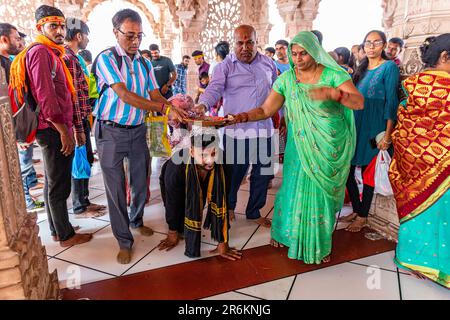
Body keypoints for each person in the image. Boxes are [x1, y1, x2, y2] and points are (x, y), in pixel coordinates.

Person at [228, 31, 364, 264]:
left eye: (304, 53)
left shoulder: (334, 74)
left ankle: (317, 242)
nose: (298, 58)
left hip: (328, 143)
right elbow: (265, 110)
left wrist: (333, 93)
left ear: (315, 52)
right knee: (292, 187)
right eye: (294, 53)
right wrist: (241, 116)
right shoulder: (287, 79)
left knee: (319, 193)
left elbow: (358, 102)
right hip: (299, 145)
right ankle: (285, 233)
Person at [93, 9, 186, 264]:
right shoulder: (107, 59)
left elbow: (155, 95)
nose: (135, 41)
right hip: (110, 131)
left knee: (139, 181)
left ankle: (136, 219)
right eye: (130, 35)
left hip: (137, 130)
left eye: (139, 36)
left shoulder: (144, 63)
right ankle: (124, 240)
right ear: (116, 32)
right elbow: (124, 95)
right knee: (115, 188)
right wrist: (163, 108)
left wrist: (171, 106)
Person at [10, 5, 93, 246]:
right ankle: (66, 236)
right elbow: (46, 96)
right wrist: (64, 131)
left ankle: (59, 229)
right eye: (53, 26)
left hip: (54, 127)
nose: (59, 30)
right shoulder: (41, 53)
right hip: (53, 129)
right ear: (40, 28)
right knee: (59, 185)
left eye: (61, 26)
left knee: (53, 182)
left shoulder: (51, 52)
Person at [195, 25, 277, 228]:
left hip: (264, 129)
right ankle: (229, 206)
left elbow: (277, 93)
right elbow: (214, 89)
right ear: (234, 43)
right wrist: (203, 104)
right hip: (237, 132)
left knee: (263, 173)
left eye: (249, 42)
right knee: (234, 174)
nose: (245, 47)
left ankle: (254, 211)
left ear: (256, 42)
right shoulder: (225, 67)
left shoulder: (268, 64)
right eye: (240, 43)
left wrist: (282, 118)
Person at [389, 34, 450, 288]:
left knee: (420, 212)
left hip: (412, 161)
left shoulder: (411, 83)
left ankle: (411, 258)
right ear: (445, 57)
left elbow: (406, 123)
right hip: (443, 166)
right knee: (442, 216)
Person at [342, 30, 399, 232]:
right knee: (347, 170)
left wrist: (388, 135)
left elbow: (391, 101)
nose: (371, 46)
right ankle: (358, 209)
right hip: (356, 126)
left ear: (383, 45)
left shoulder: (389, 67)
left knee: (368, 172)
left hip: (376, 130)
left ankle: (363, 216)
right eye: (368, 42)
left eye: (376, 42)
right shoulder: (362, 69)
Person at [158, 127, 242, 261]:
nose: (210, 161)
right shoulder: (175, 167)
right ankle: (176, 228)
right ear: (191, 152)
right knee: (179, 215)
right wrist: (172, 232)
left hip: (203, 180)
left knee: (198, 204)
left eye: (213, 153)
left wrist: (223, 243)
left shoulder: (224, 162)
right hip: (174, 179)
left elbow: (223, 201)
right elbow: (172, 203)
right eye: (203, 155)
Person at [64, 17, 106, 218]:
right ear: (79, 36)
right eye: (87, 36)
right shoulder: (68, 57)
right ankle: (79, 205)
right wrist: (76, 127)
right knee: (79, 161)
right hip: (76, 120)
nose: (88, 40)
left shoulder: (76, 57)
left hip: (82, 117)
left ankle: (85, 200)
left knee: (86, 159)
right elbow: (72, 95)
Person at [0, 23, 44, 212]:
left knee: (22, 165)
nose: (20, 42)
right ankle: (25, 202)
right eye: (17, 38)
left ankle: (25, 200)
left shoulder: (10, 61)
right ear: (4, 39)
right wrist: (17, 134)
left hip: (20, 126)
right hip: (12, 130)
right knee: (21, 167)